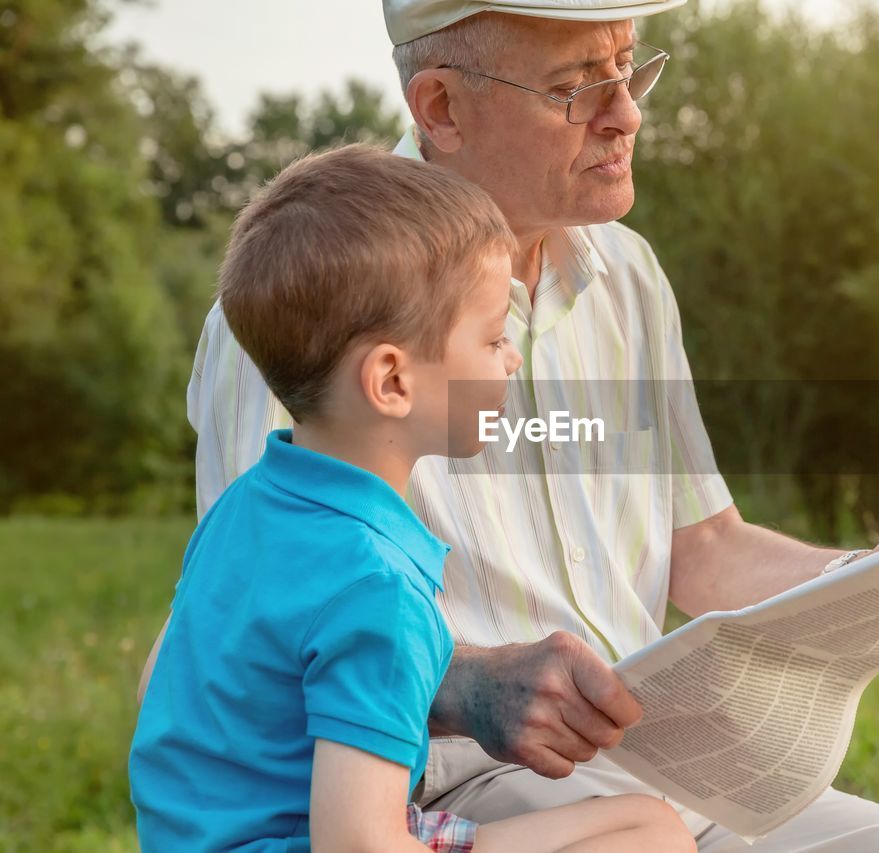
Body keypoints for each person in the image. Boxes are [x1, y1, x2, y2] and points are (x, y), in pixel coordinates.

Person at [183, 1, 879, 848]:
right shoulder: (305, 312)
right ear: (441, 108)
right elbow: (242, 636)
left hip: (670, 771)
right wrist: (471, 689)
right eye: (577, 87)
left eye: (628, 69)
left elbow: (704, 546)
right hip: (454, 793)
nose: (628, 114)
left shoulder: (629, 275)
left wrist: (871, 582)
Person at [130, 144, 694, 853]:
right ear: (392, 381)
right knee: (647, 844)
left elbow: (162, 680)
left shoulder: (252, 504)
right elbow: (358, 844)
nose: (512, 357)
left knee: (652, 823)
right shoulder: (378, 589)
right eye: (493, 338)